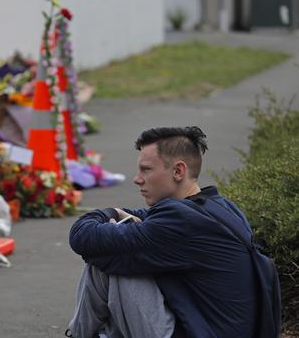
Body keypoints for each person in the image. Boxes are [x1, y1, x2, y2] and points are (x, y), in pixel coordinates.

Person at [67, 126, 258, 338]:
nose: (137, 179)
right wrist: (118, 215)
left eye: (146, 170)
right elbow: (140, 215)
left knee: (109, 259)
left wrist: (110, 213)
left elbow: (81, 236)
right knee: (114, 250)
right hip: (204, 326)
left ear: (178, 171)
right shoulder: (216, 206)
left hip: (199, 332)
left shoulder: (181, 221)